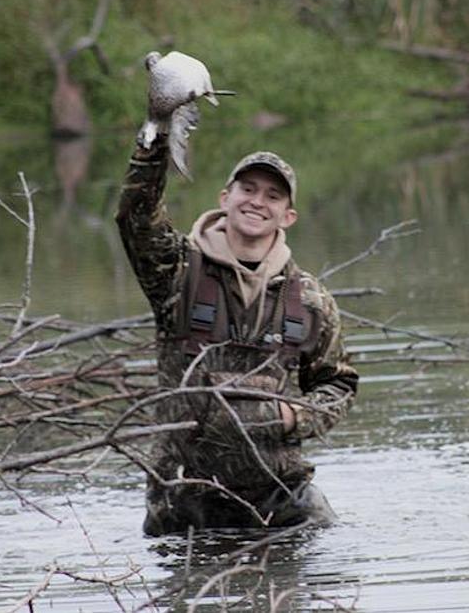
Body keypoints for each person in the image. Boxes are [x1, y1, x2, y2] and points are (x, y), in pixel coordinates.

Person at [116, 131, 358, 536]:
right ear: (225, 198)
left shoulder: (311, 299)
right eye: (247, 189)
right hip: (184, 496)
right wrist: (154, 138)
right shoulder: (174, 272)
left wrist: (293, 416)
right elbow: (134, 217)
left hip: (280, 495)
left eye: (273, 196)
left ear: (287, 217)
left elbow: (338, 385)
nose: (257, 202)